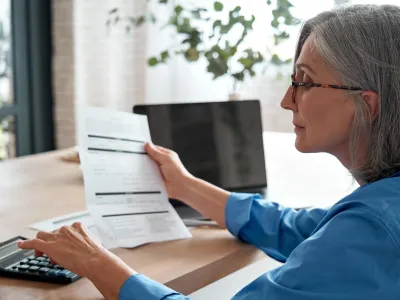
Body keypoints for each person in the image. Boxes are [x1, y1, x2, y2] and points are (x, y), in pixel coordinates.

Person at [18, 4, 400, 300]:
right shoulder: (379, 210)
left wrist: (98, 264)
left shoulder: (373, 230)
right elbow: (298, 229)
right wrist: (185, 186)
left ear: (367, 105)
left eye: (306, 82)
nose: (287, 100)